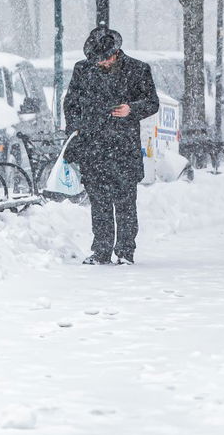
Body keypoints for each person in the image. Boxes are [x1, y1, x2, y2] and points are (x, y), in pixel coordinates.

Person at [62, 27, 158, 265]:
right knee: (99, 201)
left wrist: (131, 109)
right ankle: (101, 250)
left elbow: (152, 102)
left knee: (125, 201)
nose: (102, 63)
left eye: (105, 58)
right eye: (97, 59)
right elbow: (71, 103)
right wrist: (74, 128)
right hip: (92, 145)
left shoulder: (138, 69)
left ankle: (125, 251)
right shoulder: (83, 70)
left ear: (116, 52)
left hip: (123, 145)